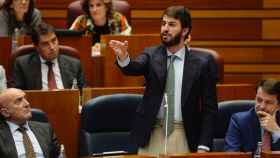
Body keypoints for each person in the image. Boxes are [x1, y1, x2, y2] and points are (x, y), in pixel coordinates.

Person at [109, 5, 218, 155]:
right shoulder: (151, 54)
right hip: (152, 133)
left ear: (185, 30)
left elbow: (209, 108)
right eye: (163, 24)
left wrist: (204, 145)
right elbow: (134, 67)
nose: (165, 29)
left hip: (184, 133)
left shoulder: (203, 62)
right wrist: (123, 57)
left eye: (172, 24)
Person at [11, 22, 86, 90]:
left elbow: (84, 94)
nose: (52, 47)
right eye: (45, 44)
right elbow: (16, 95)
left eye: (54, 40)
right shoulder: (23, 65)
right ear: (36, 47)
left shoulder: (74, 64)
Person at [0, 88, 61, 157]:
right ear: (5, 113)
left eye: (25, 98)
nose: (27, 104)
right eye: (19, 101)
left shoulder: (46, 129)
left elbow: (58, 155)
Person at [224, 79, 280, 152]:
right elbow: (231, 154)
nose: (262, 106)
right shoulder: (239, 121)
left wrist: (276, 131)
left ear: (278, 105)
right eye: (259, 100)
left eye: (268, 102)